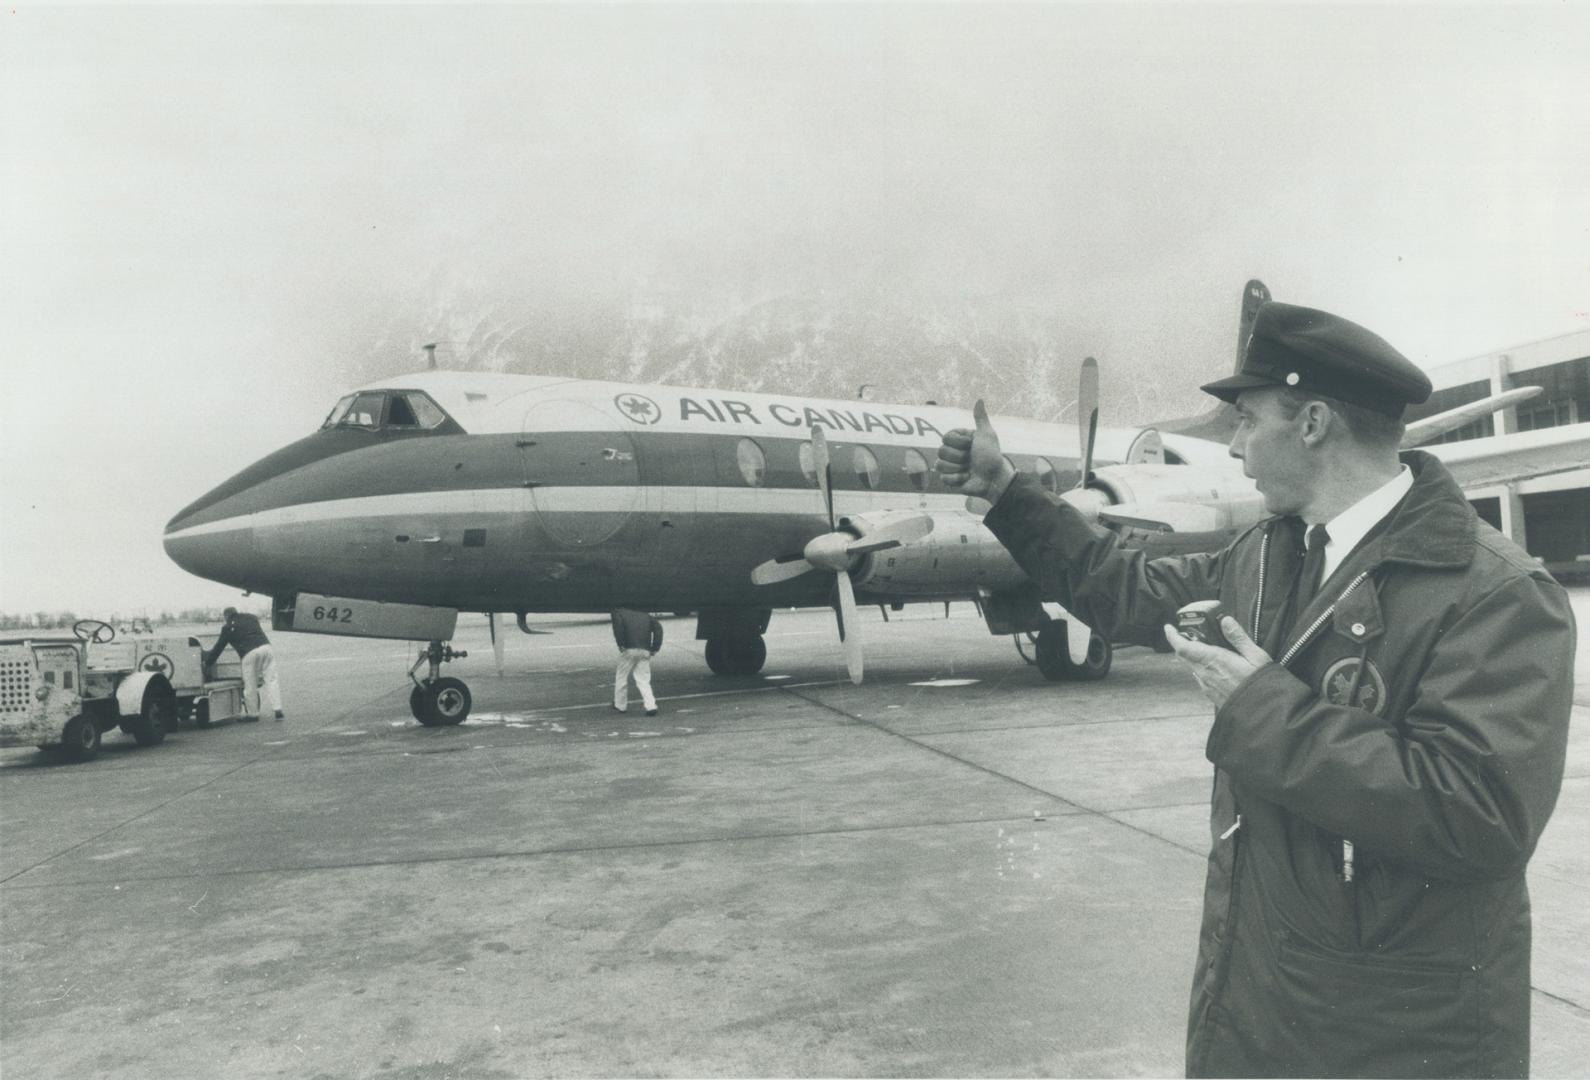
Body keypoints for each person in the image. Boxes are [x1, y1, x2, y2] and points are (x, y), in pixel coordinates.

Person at [937, 301, 1575, 1078]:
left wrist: (1263, 710)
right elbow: (1123, 585)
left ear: (1311, 423)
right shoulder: (1269, 555)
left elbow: (1482, 819)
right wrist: (1009, 497)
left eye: (1244, 420)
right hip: (1260, 1005)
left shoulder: (1495, 591)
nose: (1234, 447)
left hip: (1397, 1033)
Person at [203, 606, 285, 722]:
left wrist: (208, 663)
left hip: (249, 653)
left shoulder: (227, 628)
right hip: (266, 648)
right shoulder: (251, 617)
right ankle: (278, 709)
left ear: (226, 616)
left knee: (250, 684)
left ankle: (253, 714)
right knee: (272, 680)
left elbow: (218, 648)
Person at [611, 607, 663, 716]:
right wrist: (655, 648)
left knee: (621, 677)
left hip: (629, 649)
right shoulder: (645, 614)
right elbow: (659, 628)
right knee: (643, 680)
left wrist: (621, 644)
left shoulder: (617, 612)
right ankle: (651, 706)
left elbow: (618, 628)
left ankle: (620, 705)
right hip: (645, 650)